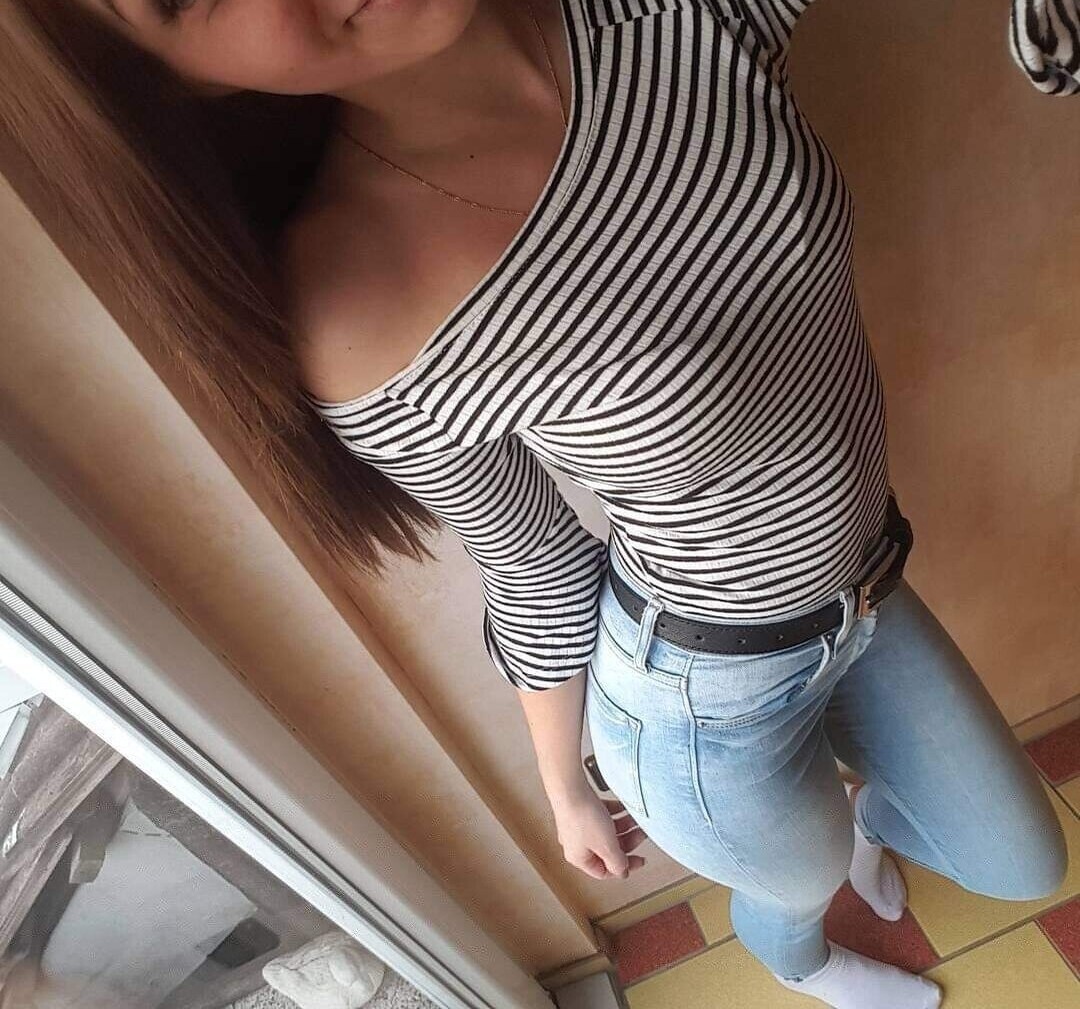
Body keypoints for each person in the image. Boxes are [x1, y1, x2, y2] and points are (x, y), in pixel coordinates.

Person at [0, 2, 1072, 1007]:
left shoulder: (659, 19)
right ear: (178, 79)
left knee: (1018, 861)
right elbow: (536, 564)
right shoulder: (359, 302)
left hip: (871, 585)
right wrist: (564, 787)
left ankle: (857, 820)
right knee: (802, 881)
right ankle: (805, 959)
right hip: (705, 698)